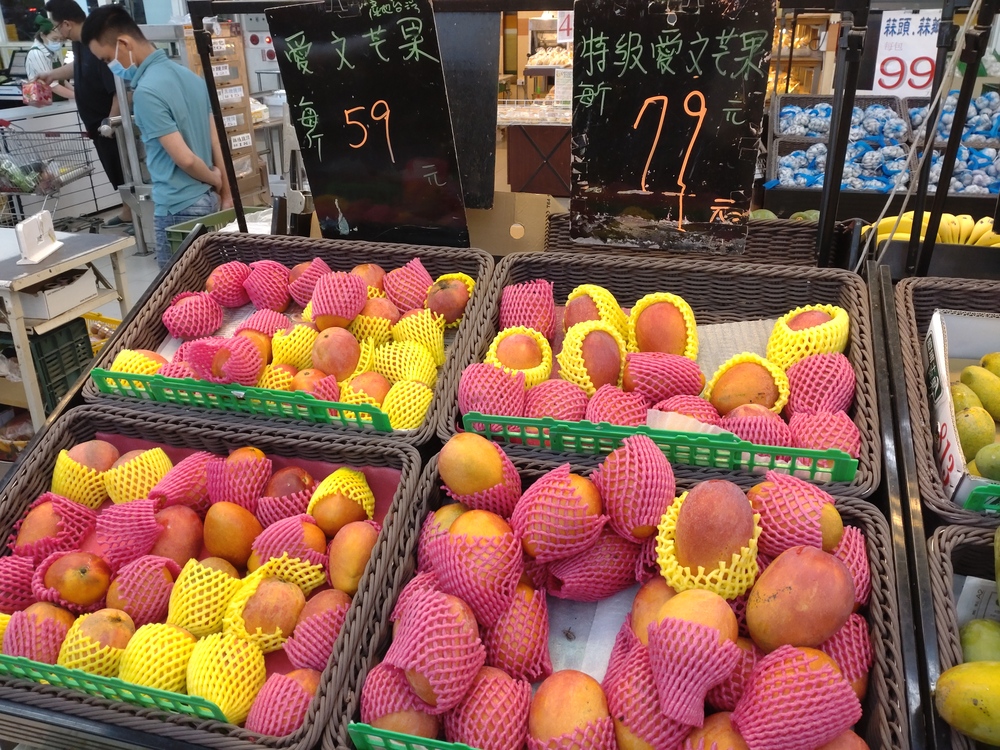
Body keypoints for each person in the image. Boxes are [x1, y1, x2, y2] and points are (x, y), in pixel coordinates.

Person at [82, 5, 232, 268]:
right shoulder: (191, 78)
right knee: (205, 282)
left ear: (123, 43)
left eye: (107, 59)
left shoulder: (147, 92)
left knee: (174, 288)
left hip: (177, 207)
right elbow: (216, 142)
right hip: (207, 200)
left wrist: (214, 178)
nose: (111, 67)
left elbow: (185, 159)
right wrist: (225, 192)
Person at [37, 0, 131, 230]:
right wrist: (52, 74)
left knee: (128, 171)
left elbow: (119, 91)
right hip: (98, 125)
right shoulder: (80, 44)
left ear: (67, 24)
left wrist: (111, 122)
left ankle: (139, 215)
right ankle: (129, 211)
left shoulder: (97, 43)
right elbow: (79, 66)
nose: (57, 33)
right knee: (116, 172)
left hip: (112, 124)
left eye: (56, 26)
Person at [25, 15, 73, 100]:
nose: (58, 42)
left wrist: (76, 91)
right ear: (43, 35)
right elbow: (52, 85)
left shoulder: (51, 51)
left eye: (61, 40)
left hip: (58, 100)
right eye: (55, 39)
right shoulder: (36, 53)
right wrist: (78, 97)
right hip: (45, 101)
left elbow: (60, 79)